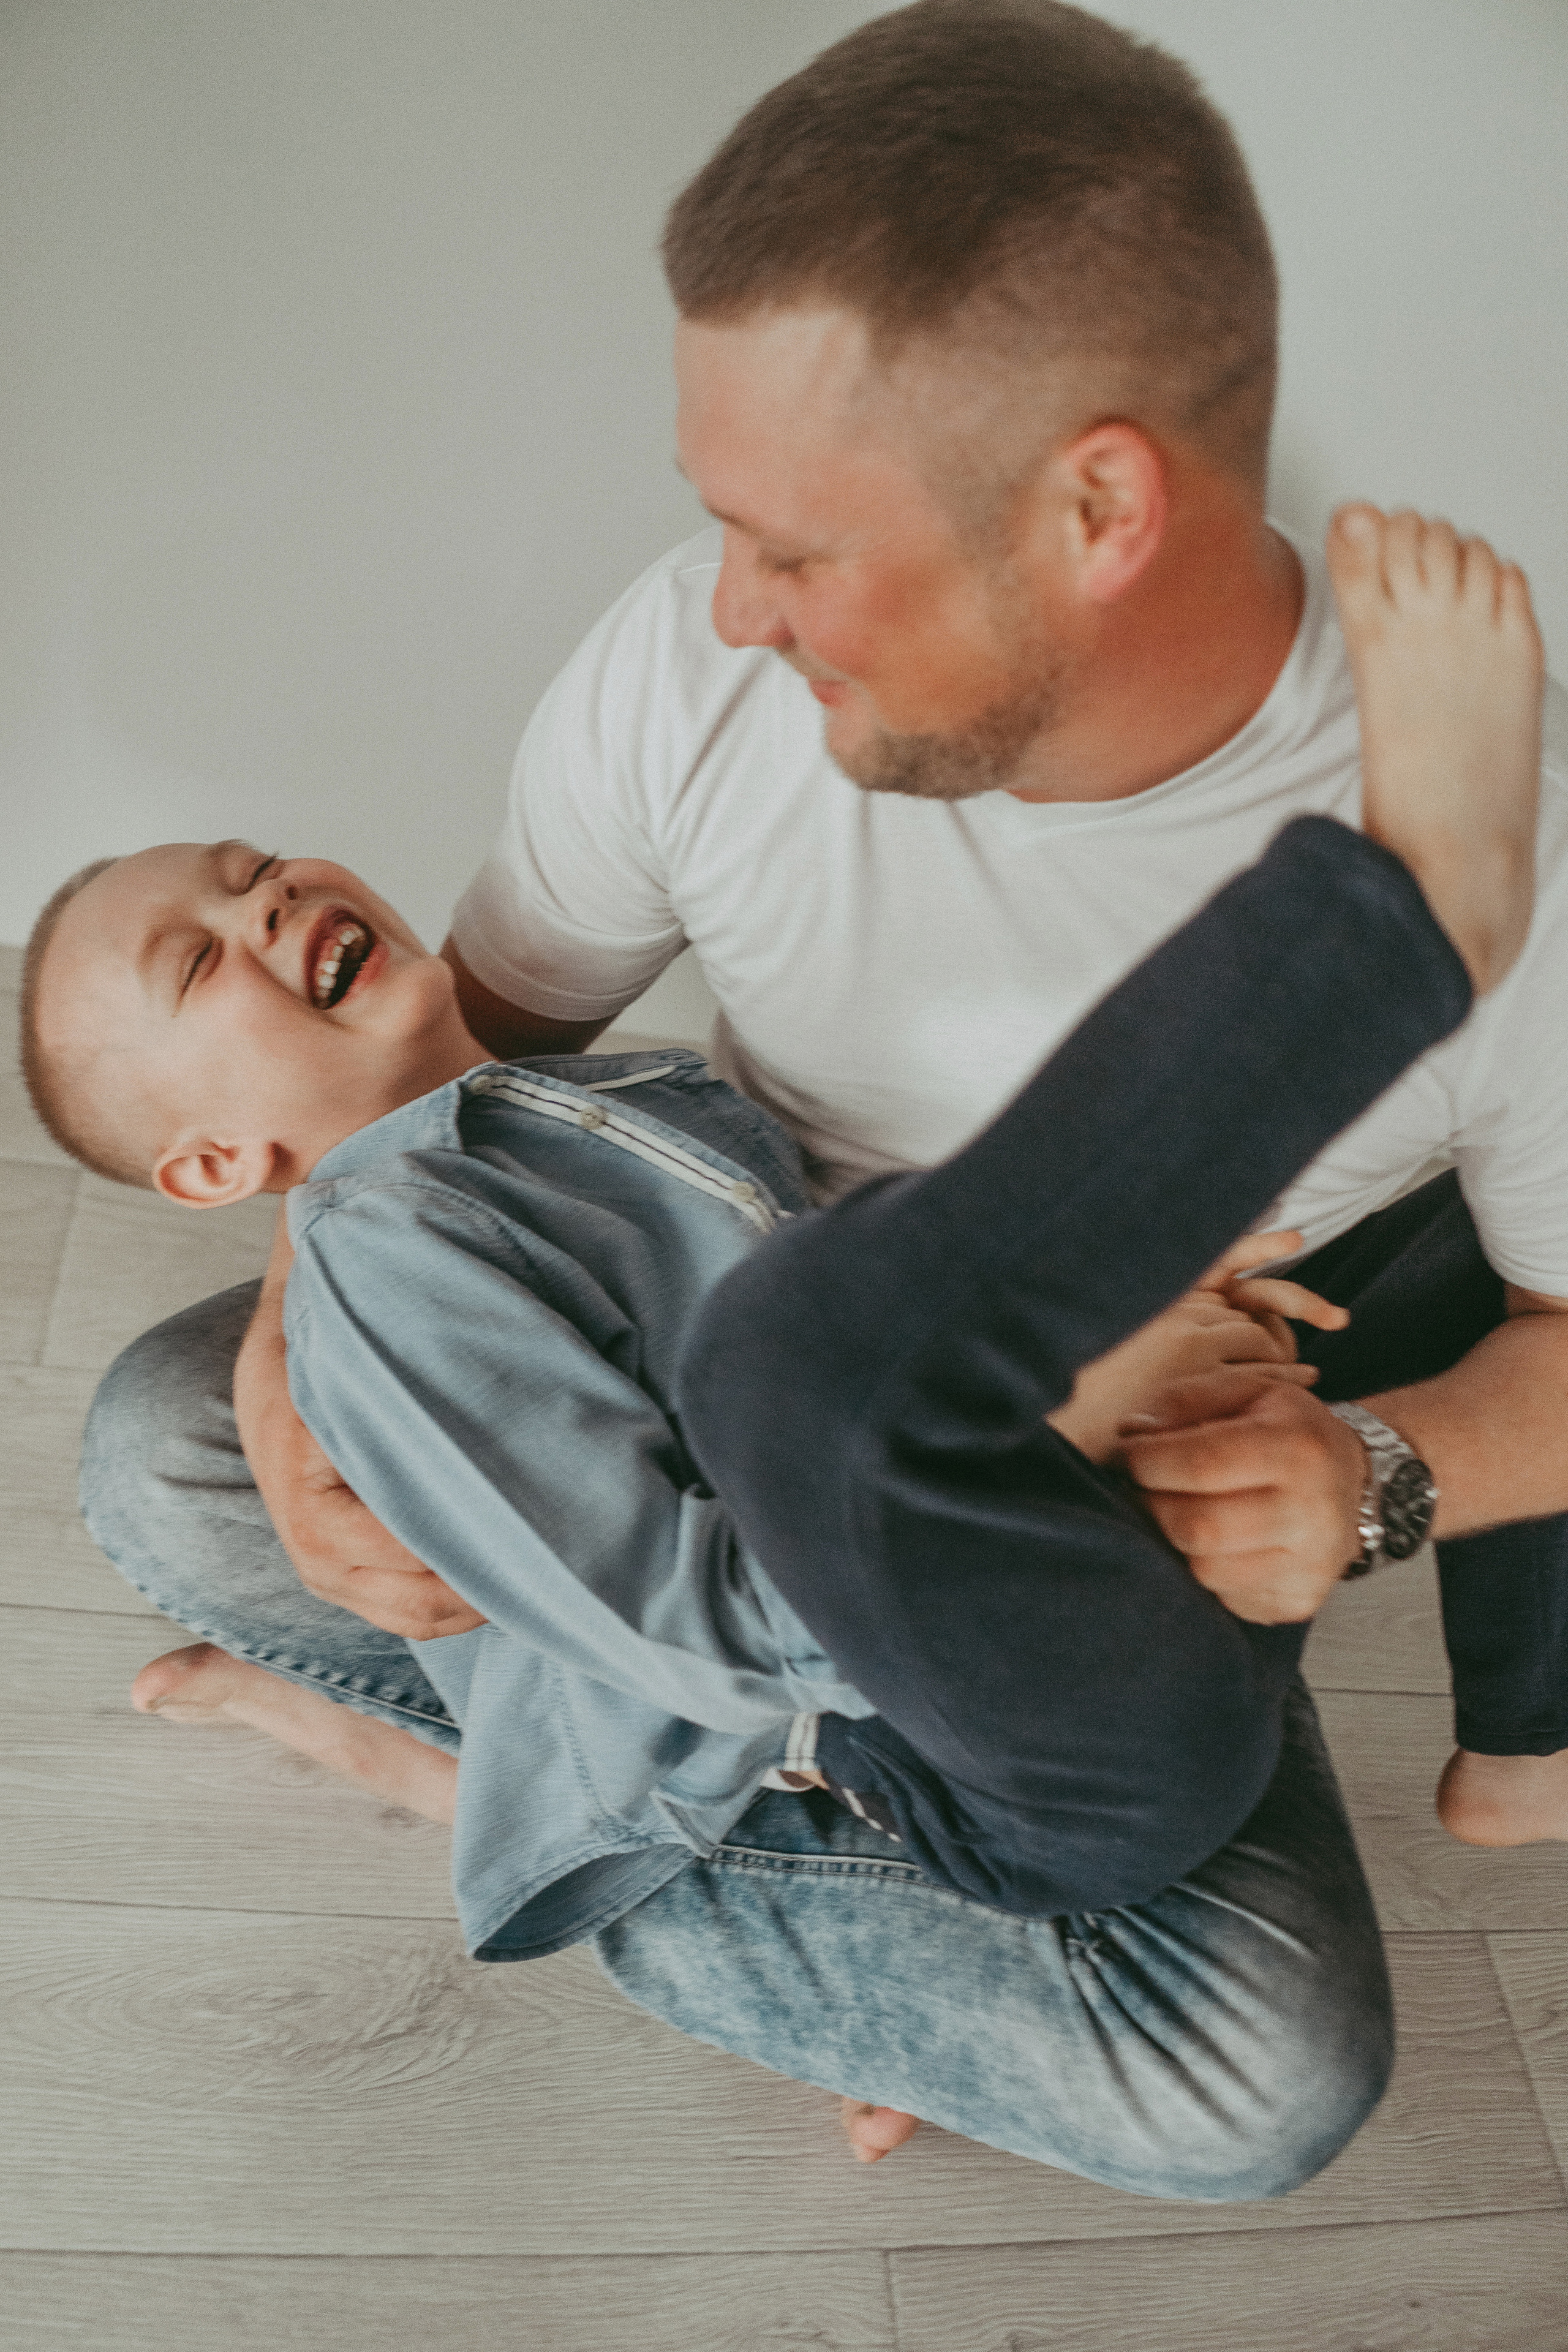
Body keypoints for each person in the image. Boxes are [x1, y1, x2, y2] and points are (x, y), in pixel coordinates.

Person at [31, 505, 1547, 2188]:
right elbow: (701, 1618)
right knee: (779, 1365)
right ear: (214, 1167)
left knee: (813, 1362)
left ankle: (675, 1871)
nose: (265, 899)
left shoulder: (607, 1104)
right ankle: (1385, 929)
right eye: (202, 956)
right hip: (929, 1720)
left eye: (250, 868)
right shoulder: (389, 1244)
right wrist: (1065, 1406)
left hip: (1097, 1639)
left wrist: (1265, 1441)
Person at [229, 0, 1568, 1859]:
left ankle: (602, 1790)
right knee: (182, 1436)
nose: (733, 610)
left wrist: (1378, 1474)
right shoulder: (686, 668)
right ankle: (615, 1794)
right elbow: (469, 1059)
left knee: (799, 1376)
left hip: (1045, 1532)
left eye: (797, 549)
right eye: (725, 527)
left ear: (1096, 508)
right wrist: (292, 1323)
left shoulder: (1522, 812)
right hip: (720, 1375)